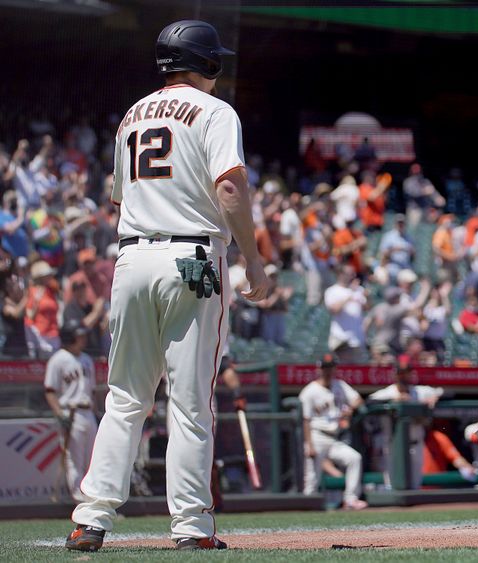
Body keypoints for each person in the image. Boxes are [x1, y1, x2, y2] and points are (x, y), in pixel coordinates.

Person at [66, 20, 270, 552]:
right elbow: (228, 185)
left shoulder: (132, 114)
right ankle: (191, 526)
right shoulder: (215, 111)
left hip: (132, 256)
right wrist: (254, 259)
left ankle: (91, 518)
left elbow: (117, 197)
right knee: (189, 401)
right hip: (192, 258)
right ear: (207, 63)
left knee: (125, 397)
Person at [299, 354, 368, 510]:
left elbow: (358, 399)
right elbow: (306, 420)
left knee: (354, 458)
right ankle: (307, 507)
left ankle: (350, 499)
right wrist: (309, 444)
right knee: (312, 478)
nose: (328, 371)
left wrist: (350, 409)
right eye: (325, 367)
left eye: (331, 367)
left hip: (334, 438)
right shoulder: (309, 391)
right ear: (319, 369)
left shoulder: (340, 385)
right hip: (317, 436)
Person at [368, 357, 444, 488]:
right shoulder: (388, 392)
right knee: (392, 483)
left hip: (416, 444)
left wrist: (434, 397)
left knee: (415, 484)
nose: (403, 376)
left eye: (406, 373)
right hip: (393, 445)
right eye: (401, 373)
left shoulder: (419, 391)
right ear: (395, 375)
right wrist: (393, 400)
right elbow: (369, 402)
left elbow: (443, 391)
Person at [43, 321, 96, 502]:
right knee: (74, 460)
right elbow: (50, 391)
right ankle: (79, 498)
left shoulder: (87, 359)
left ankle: (93, 497)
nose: (83, 338)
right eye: (79, 335)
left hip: (88, 412)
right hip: (71, 413)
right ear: (69, 337)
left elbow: (92, 391)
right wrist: (60, 414)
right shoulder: (58, 359)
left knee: (93, 458)